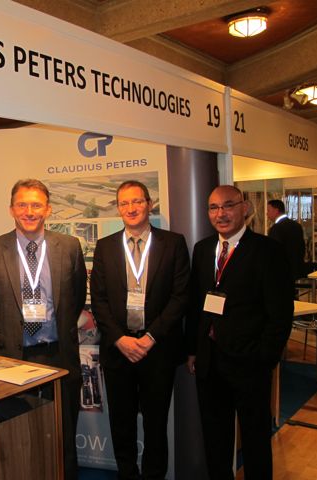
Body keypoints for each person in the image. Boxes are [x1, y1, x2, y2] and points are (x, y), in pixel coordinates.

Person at [0, 179, 87, 480]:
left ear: (48, 209)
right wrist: (7, 333)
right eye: (22, 204)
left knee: (63, 434)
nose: (29, 211)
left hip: (58, 356)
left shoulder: (69, 247)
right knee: (17, 438)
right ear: (11, 209)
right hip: (12, 359)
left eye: (36, 205)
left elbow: (75, 299)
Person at [186, 185, 294, 480]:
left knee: (256, 440)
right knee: (215, 440)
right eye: (213, 207)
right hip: (209, 363)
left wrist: (265, 358)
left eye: (228, 205)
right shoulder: (203, 249)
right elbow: (196, 305)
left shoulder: (268, 250)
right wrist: (193, 349)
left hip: (250, 364)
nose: (220, 214)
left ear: (245, 208)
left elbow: (280, 313)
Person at [90, 180, 190, 480]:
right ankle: (127, 474)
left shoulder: (173, 243)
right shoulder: (105, 246)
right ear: (118, 208)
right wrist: (120, 339)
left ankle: (153, 476)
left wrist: (150, 338)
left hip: (157, 350)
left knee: (156, 424)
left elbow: (180, 296)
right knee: (121, 423)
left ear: (149, 204)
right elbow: (99, 300)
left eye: (137, 201)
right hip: (118, 351)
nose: (131, 208)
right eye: (124, 203)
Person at [267, 199, 306, 282]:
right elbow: (302, 248)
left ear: (276, 210)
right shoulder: (296, 225)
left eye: (268, 210)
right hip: (296, 269)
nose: (267, 213)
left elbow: (274, 252)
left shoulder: (276, 228)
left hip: (281, 272)